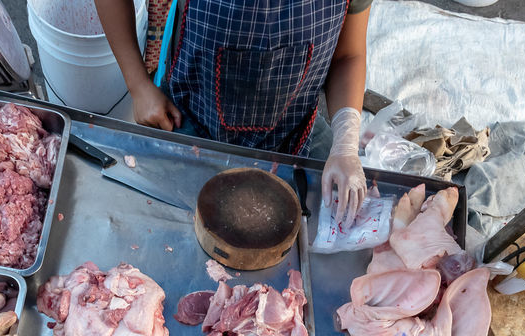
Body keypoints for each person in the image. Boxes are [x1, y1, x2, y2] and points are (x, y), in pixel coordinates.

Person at [93, 0, 371, 226]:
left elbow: (348, 55)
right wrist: (138, 85)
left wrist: (345, 142)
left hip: (294, 135)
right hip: (188, 121)